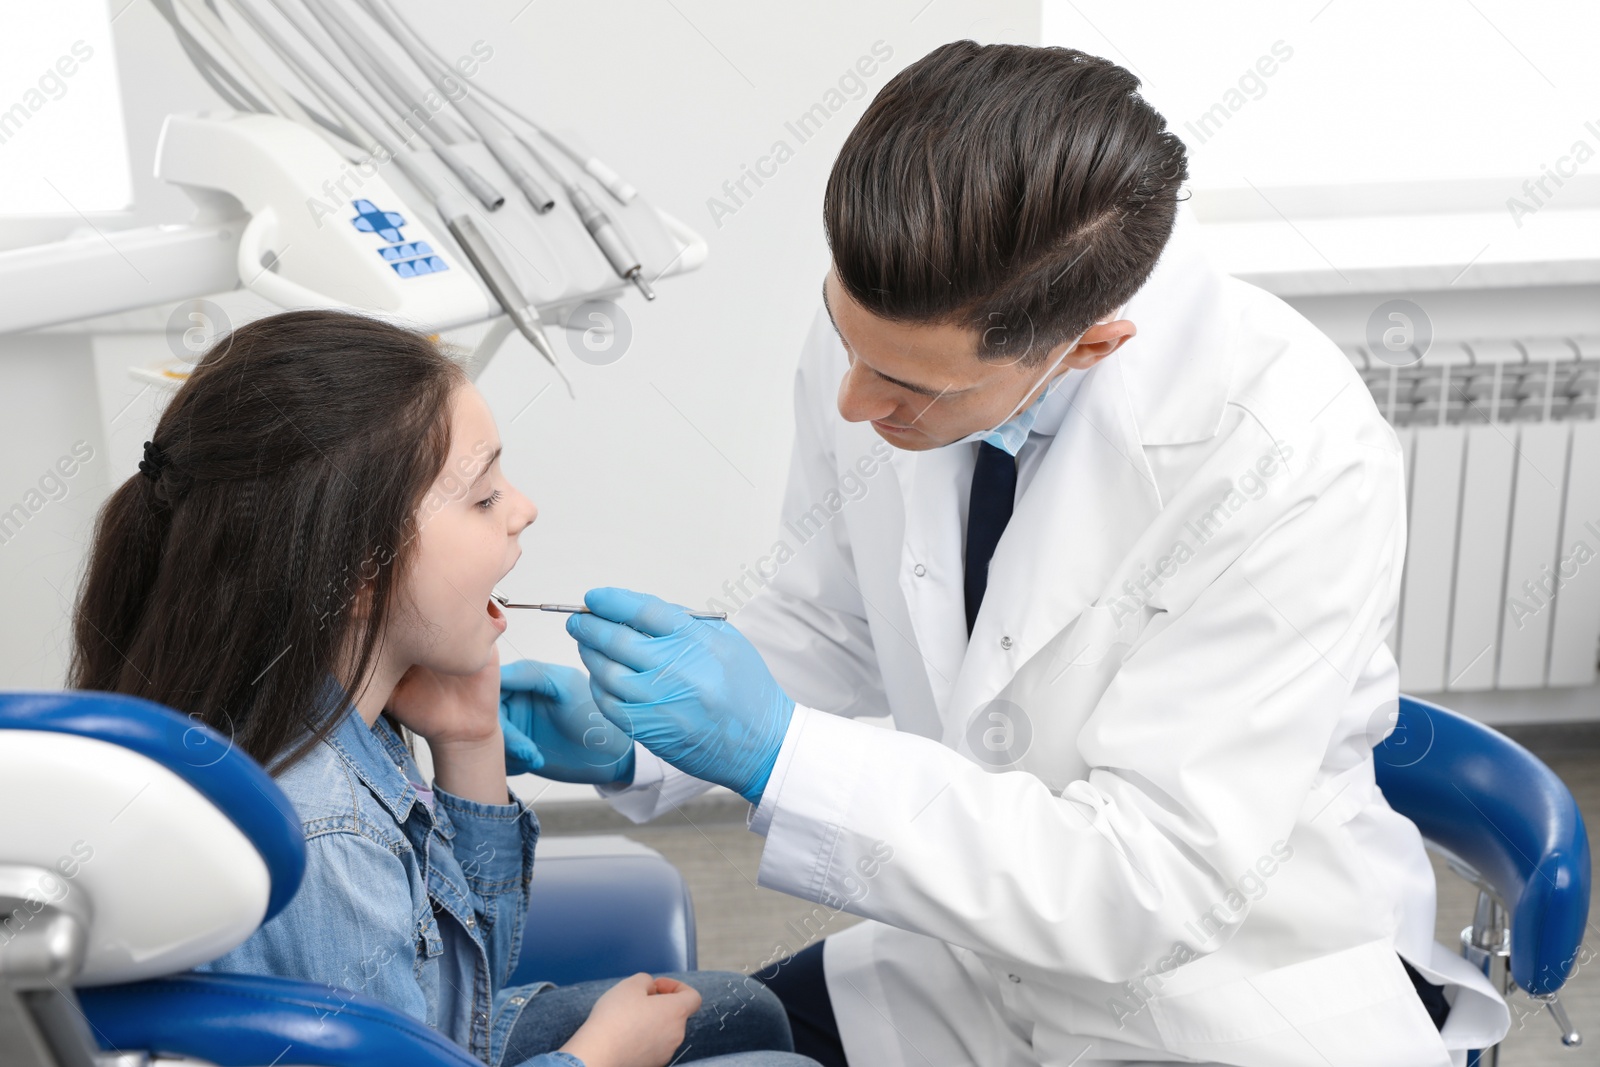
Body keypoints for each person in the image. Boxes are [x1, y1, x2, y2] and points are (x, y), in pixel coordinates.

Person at [501, 41, 1512, 1067]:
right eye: (848, 345)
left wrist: (779, 755)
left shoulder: (1288, 452)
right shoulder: (900, 326)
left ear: (1089, 344)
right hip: (970, 962)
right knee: (710, 1040)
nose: (855, 400)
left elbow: (1148, 886)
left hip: (1217, 997)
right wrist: (638, 736)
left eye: (910, 388)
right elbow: (834, 620)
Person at [69, 310, 815, 1067]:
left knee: (744, 1012)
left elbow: (462, 983)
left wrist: (469, 741)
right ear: (358, 570)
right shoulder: (327, 834)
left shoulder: (334, 712)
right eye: (484, 496)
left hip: (422, 1039)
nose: (523, 508)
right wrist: (597, 1058)